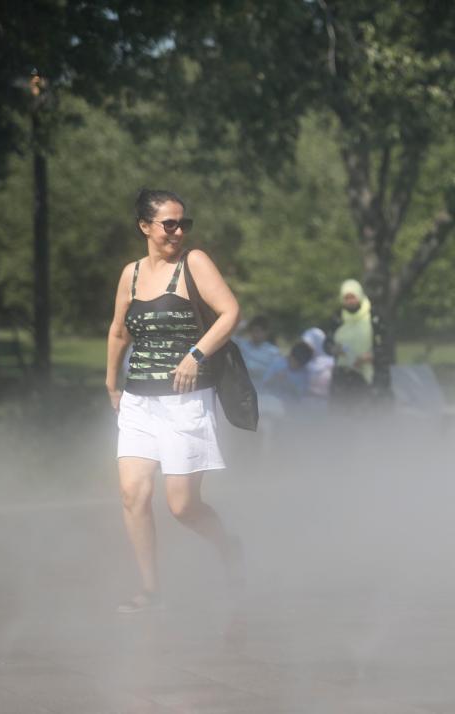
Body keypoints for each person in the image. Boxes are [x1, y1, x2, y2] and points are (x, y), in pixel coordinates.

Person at [105, 189, 243, 614]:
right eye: (169, 224)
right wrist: (112, 382)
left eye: (184, 223)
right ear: (145, 227)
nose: (178, 231)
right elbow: (118, 331)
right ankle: (150, 590)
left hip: (185, 399)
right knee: (132, 494)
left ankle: (229, 548)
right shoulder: (129, 274)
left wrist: (195, 354)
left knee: (182, 506)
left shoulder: (193, 263)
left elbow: (230, 313)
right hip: (139, 400)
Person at [327, 279, 376, 403]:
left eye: (352, 297)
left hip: (367, 376)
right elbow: (327, 343)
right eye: (346, 298)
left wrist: (369, 356)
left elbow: (384, 346)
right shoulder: (337, 318)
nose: (350, 301)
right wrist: (334, 349)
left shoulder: (374, 316)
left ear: (359, 296)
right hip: (342, 375)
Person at [234, 315, 282, 385]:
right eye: (253, 331)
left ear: (266, 332)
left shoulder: (273, 352)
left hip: (260, 387)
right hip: (240, 382)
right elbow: (230, 337)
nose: (255, 334)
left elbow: (274, 373)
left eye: (258, 331)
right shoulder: (242, 344)